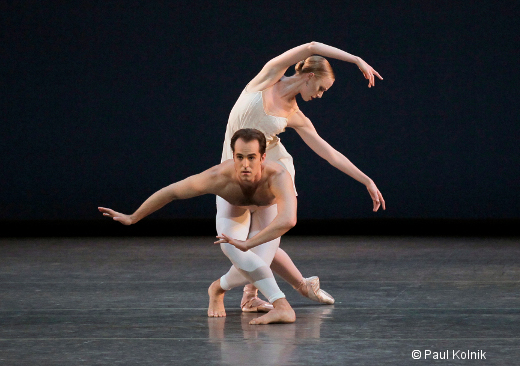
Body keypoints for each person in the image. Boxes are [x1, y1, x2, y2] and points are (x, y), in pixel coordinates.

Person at [221, 41, 386, 312]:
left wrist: (366, 179)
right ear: (309, 77)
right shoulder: (269, 75)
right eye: (321, 88)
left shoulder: (295, 115)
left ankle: (245, 294)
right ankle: (299, 286)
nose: (321, 95)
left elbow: (329, 153)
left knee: (264, 239)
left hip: (271, 167)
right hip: (234, 162)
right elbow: (311, 46)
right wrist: (356, 58)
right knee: (249, 241)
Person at [99, 129, 298, 325]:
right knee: (234, 250)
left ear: (263, 157)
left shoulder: (278, 176)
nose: (245, 164)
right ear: (233, 157)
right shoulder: (218, 176)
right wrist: (133, 218)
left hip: (266, 208)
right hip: (232, 205)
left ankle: (216, 288)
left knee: (257, 264)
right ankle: (282, 306)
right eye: (239, 157)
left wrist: (250, 243)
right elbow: (172, 192)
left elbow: (288, 219)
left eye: (252, 157)